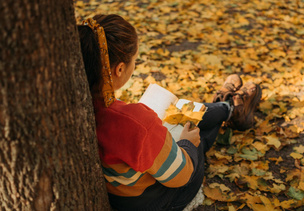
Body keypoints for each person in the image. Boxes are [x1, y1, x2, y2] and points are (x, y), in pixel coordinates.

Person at [78, 14, 261, 211]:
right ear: (120, 69)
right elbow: (181, 175)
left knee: (182, 114)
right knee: (192, 127)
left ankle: (228, 106)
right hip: (159, 199)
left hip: (126, 195)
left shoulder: (85, 108)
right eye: (134, 60)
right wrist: (187, 145)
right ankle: (230, 107)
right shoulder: (137, 123)